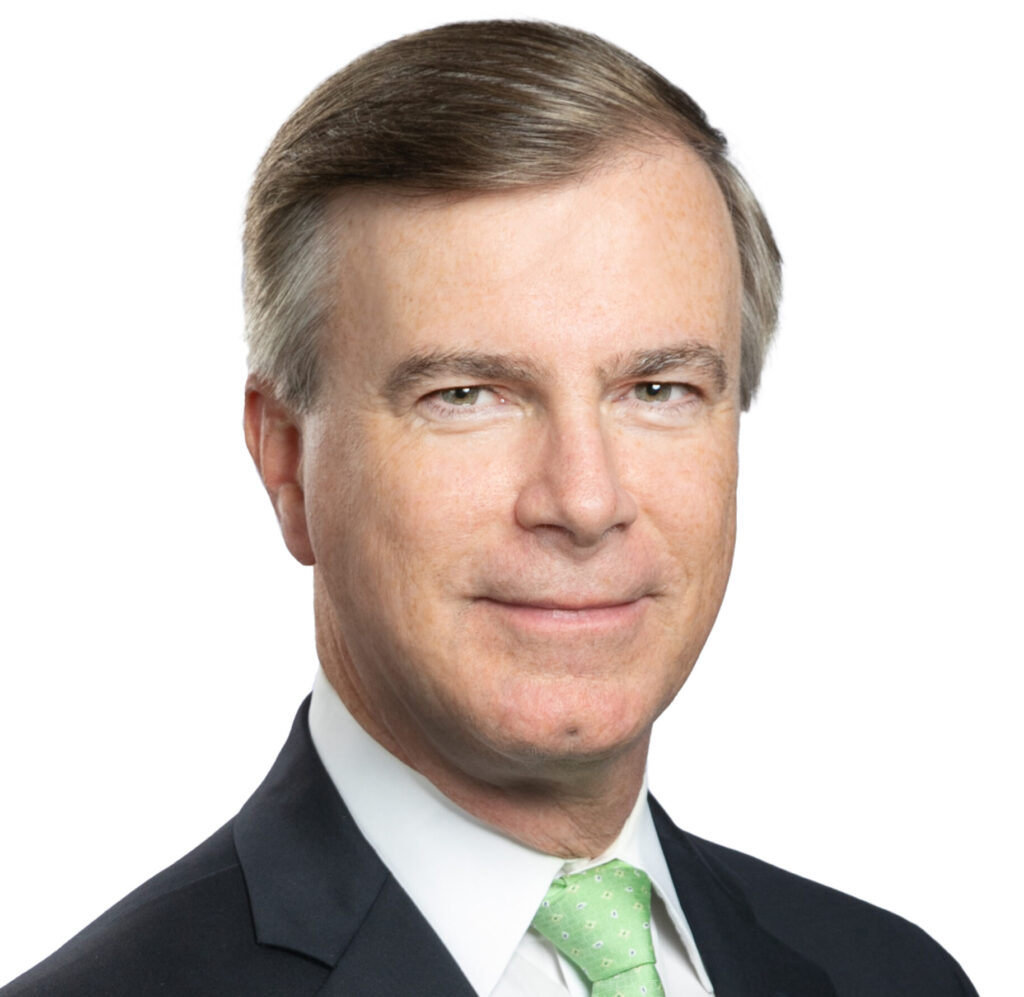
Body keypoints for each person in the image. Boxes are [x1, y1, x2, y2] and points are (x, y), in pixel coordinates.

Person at [1, 20, 978, 997]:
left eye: (658, 389)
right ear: (287, 461)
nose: (585, 501)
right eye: (465, 395)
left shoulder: (896, 976)